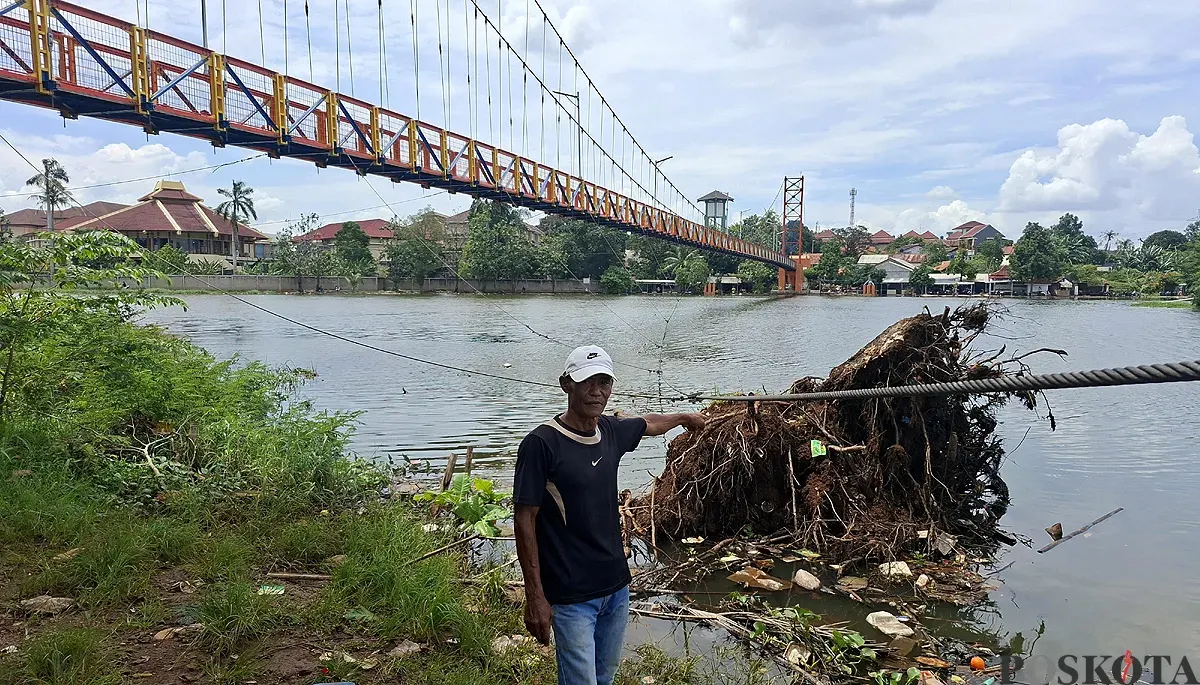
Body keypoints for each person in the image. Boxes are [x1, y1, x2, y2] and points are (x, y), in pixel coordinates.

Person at [513, 345, 706, 685]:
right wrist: (535, 596)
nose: (597, 391)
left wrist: (683, 419)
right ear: (566, 384)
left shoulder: (610, 431)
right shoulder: (541, 444)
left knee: (605, 677)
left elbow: (646, 424)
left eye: (605, 382)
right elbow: (524, 520)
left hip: (616, 587)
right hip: (572, 596)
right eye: (587, 382)